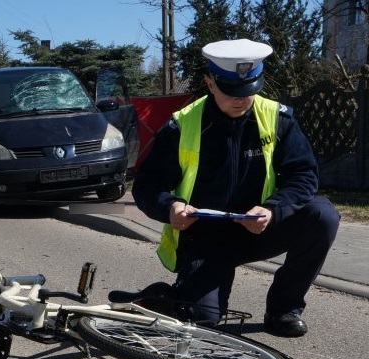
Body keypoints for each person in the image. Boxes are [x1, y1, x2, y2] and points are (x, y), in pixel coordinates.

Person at [132, 39, 341, 337]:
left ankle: (283, 309)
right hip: (205, 237)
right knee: (201, 325)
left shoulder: (277, 118)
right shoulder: (182, 125)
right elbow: (148, 184)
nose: (241, 99)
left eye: (249, 90)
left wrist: (273, 209)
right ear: (210, 82)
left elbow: (304, 175)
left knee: (322, 216)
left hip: (257, 227)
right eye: (231, 91)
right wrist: (170, 207)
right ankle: (170, 300)